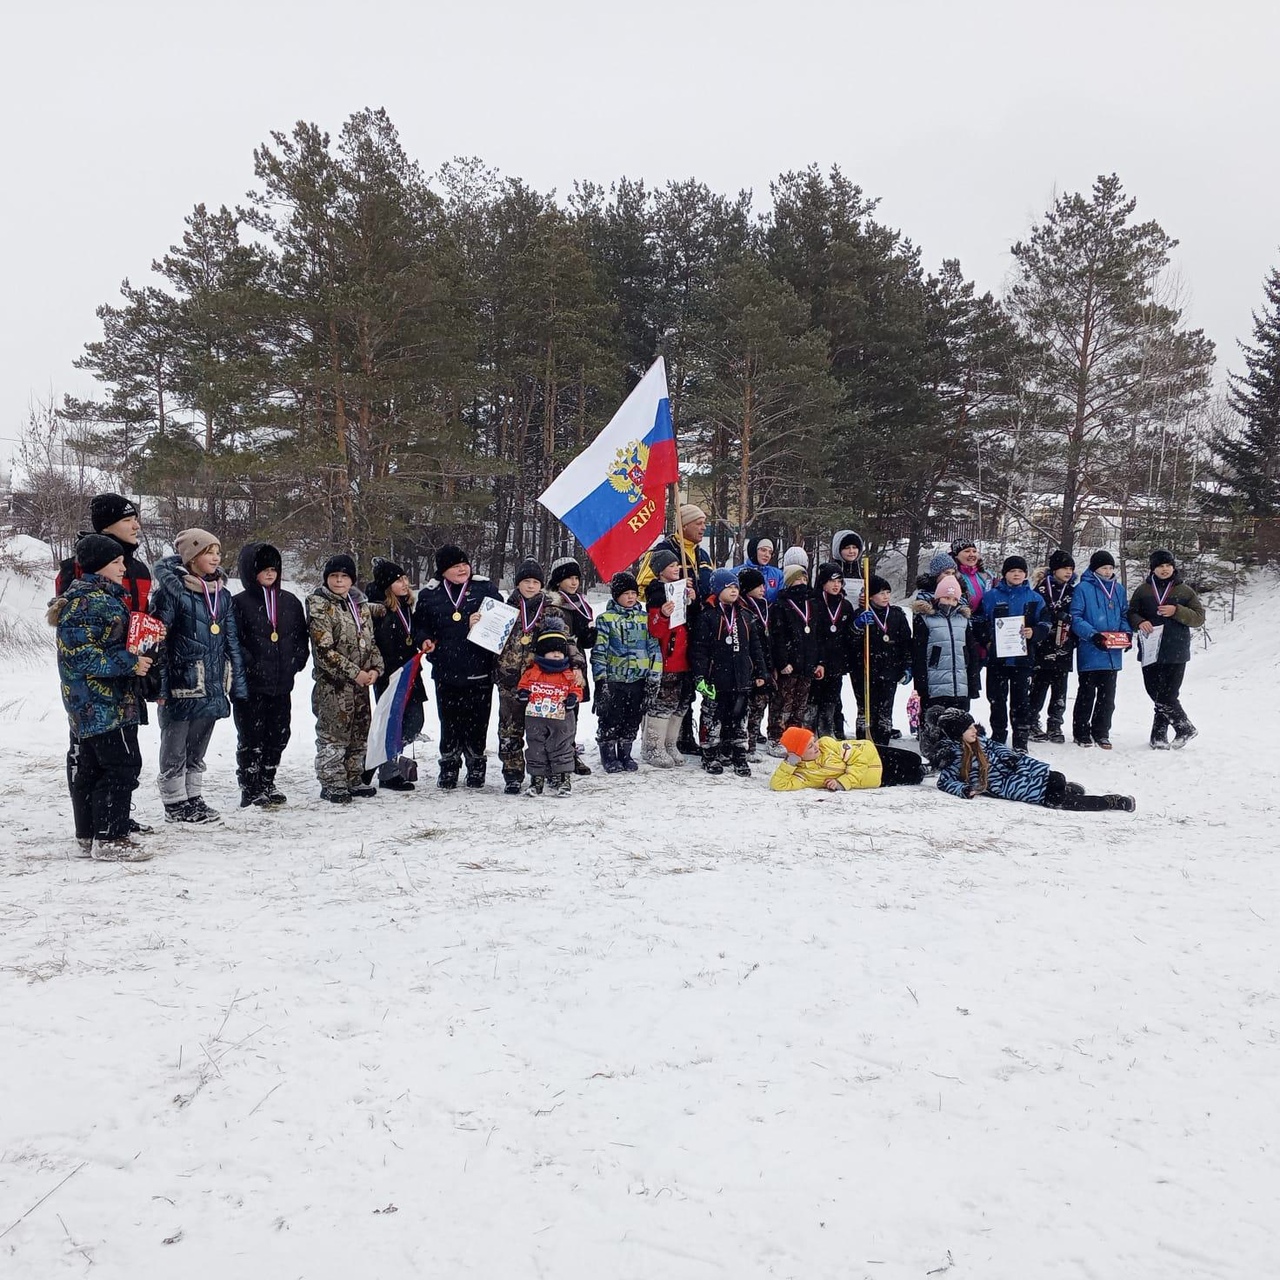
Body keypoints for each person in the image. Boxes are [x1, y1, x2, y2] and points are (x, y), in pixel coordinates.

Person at [49, 534, 155, 860]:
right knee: (121, 766)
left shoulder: (100, 599)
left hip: (97, 701)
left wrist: (143, 640)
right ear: (98, 566)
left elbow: (105, 644)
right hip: (102, 703)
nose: (124, 567)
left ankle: (90, 835)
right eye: (117, 562)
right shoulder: (89, 602)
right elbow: (83, 657)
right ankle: (110, 838)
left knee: (92, 769)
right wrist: (131, 662)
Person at [149, 529, 248, 823]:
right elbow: (159, 642)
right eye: (208, 552)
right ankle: (174, 801)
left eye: (218, 552)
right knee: (175, 744)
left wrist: (237, 684)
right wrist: (161, 687)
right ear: (192, 558)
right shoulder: (171, 593)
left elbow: (231, 641)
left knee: (198, 745)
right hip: (183, 682)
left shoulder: (222, 595)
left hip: (214, 682)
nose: (216, 558)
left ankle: (193, 796)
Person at [412, 544, 501, 789]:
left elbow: (504, 618)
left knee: (478, 721)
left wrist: (483, 622)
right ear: (443, 571)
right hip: (446, 670)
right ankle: (449, 767)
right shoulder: (431, 595)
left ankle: (476, 766)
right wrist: (424, 639)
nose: (462, 568)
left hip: (479, 667)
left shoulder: (485, 588)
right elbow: (419, 625)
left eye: (464, 563)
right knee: (449, 721)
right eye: (455, 565)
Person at [496, 559, 584, 793]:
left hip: (545, 684)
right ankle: (513, 774)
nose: (531, 586)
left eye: (536, 582)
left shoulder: (552, 611)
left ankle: (552, 771)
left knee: (549, 731)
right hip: (510, 680)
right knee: (509, 729)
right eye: (526, 581)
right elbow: (489, 641)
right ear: (518, 584)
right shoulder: (504, 610)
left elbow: (568, 642)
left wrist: (576, 665)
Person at [934, 708, 1135, 811]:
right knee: (1061, 800)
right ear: (956, 733)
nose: (974, 730)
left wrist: (1011, 757)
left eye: (973, 726)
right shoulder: (954, 757)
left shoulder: (983, 741)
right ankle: (1111, 802)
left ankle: (1064, 787)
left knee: (1057, 777)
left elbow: (1000, 748)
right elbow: (945, 782)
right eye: (968, 728)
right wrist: (963, 789)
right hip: (1010, 787)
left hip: (1019, 772)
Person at [231, 542, 309, 807]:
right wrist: (250, 663)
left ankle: (267, 779)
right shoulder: (239, 603)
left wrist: (296, 661)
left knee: (279, 733)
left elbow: (301, 637)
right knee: (252, 735)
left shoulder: (289, 601)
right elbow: (235, 641)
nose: (269, 573)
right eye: (263, 568)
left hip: (281, 682)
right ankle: (250, 786)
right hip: (251, 686)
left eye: (274, 568)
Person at [307, 553, 384, 803]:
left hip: (361, 684)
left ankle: (353, 777)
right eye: (334, 576)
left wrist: (375, 669)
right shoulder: (319, 604)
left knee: (359, 732)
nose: (339, 581)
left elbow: (370, 642)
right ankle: (332, 781)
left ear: (352, 580)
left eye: (344, 576)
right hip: (334, 684)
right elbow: (324, 651)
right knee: (334, 734)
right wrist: (354, 673)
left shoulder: (359, 606)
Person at [637, 503, 712, 755]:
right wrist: (672, 589)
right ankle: (657, 741)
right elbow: (642, 587)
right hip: (670, 628)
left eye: (704, 523)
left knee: (686, 687)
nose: (703, 527)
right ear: (685, 525)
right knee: (667, 689)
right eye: (698, 523)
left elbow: (709, 587)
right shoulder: (664, 550)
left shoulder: (703, 554)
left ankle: (683, 736)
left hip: (696, 624)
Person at [691, 567, 767, 775]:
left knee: (740, 716)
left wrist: (761, 672)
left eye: (736, 587)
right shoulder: (708, 616)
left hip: (741, 678)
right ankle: (710, 753)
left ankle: (738, 754)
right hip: (716, 678)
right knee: (712, 716)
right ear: (717, 590)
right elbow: (699, 650)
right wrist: (700, 676)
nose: (734, 591)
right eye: (728, 587)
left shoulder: (745, 615)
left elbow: (755, 647)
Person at [1128, 549, 1205, 749]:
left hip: (1175, 650)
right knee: (1154, 691)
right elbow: (1131, 613)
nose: (1164, 569)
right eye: (1160, 566)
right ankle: (1174, 731)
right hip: (1150, 649)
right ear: (1153, 568)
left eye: (1168, 565)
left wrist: (1177, 610)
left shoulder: (1185, 591)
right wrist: (1139, 621)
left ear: (1173, 567)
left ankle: (1166, 734)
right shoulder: (1143, 590)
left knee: (1168, 695)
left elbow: (1199, 617)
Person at [592, 571, 662, 773]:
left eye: (634, 592)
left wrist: (654, 677)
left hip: (638, 679)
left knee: (632, 717)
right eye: (626, 593)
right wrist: (600, 679)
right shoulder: (606, 619)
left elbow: (654, 649)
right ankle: (608, 753)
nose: (631, 597)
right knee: (611, 717)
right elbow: (599, 651)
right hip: (615, 679)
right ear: (616, 595)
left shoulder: (645, 619)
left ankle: (625, 752)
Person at [366, 558, 426, 792]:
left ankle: (381, 759)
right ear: (386, 585)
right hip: (389, 674)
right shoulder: (378, 610)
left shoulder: (406, 605)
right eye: (398, 580)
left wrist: (422, 641)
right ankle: (387, 771)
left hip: (410, 671)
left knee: (414, 721)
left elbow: (413, 633)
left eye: (404, 578)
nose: (404, 583)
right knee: (391, 722)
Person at [979, 555, 1049, 752]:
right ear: (1005, 574)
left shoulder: (1035, 598)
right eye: (1012, 571)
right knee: (996, 699)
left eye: (1020, 571)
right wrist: (988, 640)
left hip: (1023, 659)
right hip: (997, 660)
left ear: (1025, 574)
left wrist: (1034, 632)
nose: (1016, 574)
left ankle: (1020, 740)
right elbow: (978, 622)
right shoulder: (991, 597)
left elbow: (1046, 623)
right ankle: (999, 736)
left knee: (1021, 701)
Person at [911, 574, 980, 765]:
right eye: (946, 597)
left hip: (960, 682)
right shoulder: (925, 619)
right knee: (935, 721)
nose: (949, 602)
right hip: (935, 682)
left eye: (953, 598)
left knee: (960, 721)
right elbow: (918, 654)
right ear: (937, 597)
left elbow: (971, 652)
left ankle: (959, 756)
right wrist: (921, 684)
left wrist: (973, 681)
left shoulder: (963, 620)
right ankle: (934, 755)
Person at [1070, 550, 1131, 750]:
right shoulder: (1083, 589)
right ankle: (1081, 731)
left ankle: (1101, 732)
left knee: (1108, 697)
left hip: (1112, 653)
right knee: (1087, 694)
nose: (1107, 571)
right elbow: (1076, 617)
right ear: (1094, 568)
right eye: (1104, 567)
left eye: (1110, 567)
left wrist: (1126, 634)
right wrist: (1093, 635)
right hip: (1091, 649)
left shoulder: (1119, 589)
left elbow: (1124, 614)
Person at [642, 550, 698, 767]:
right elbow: (654, 630)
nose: (677, 568)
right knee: (663, 704)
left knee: (681, 704)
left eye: (678, 564)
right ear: (660, 571)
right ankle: (652, 746)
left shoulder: (683, 589)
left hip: (687, 657)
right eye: (672, 565)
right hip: (667, 658)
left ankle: (669, 743)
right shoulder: (656, 593)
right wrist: (663, 615)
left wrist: (693, 601)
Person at [546, 556, 596, 776]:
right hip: (556, 664)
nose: (574, 582)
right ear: (558, 581)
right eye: (569, 578)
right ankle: (552, 753)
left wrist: (590, 635)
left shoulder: (581, 605)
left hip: (576, 663)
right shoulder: (551, 603)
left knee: (572, 709)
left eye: (576, 578)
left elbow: (583, 640)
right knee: (554, 710)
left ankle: (570, 750)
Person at [516, 628, 580, 796]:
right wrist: (523, 694)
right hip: (536, 718)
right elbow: (523, 685)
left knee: (562, 746)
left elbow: (577, 689)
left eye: (560, 651)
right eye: (552, 651)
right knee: (536, 746)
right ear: (543, 653)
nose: (557, 655)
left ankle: (563, 778)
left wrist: (573, 697)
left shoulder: (568, 674)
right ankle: (537, 779)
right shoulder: (533, 672)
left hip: (562, 718)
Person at [851, 574, 912, 745]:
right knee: (866, 710)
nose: (886, 596)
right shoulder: (860, 614)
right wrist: (857, 627)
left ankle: (883, 743)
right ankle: (863, 743)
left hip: (889, 670)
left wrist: (907, 666)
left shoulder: (897, 615)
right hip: (864, 671)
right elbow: (850, 643)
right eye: (881, 593)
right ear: (870, 596)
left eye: (888, 592)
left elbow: (905, 643)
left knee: (885, 710)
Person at [768, 725, 924, 791]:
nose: (816, 746)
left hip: (874, 753)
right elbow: (778, 784)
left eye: (813, 741)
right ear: (798, 754)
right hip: (876, 777)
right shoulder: (805, 775)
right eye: (809, 746)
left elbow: (859, 759)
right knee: (917, 776)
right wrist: (790, 763)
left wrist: (843, 782)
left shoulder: (827, 744)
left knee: (914, 759)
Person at [767, 562, 820, 755]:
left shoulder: (813, 604)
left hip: (807, 663)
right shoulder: (781, 605)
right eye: (797, 578)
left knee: (800, 705)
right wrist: (782, 662)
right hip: (789, 664)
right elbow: (778, 636)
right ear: (788, 582)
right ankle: (776, 737)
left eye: (805, 578)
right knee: (782, 703)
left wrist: (817, 661)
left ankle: (795, 738)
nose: (802, 582)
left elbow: (816, 635)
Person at [1029, 550, 1077, 744]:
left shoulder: (1073, 591)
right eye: (1064, 568)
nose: (1068, 572)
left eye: (1071, 569)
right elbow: (1034, 614)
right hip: (1042, 644)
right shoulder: (1039, 590)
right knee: (1039, 685)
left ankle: (1055, 723)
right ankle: (1032, 720)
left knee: (1060, 688)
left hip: (1064, 643)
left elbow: (1079, 613)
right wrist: (1051, 617)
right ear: (1054, 569)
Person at [807, 561, 856, 737]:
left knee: (832, 699)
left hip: (837, 662)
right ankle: (809, 733)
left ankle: (828, 732)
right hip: (818, 662)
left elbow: (849, 635)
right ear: (823, 582)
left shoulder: (846, 605)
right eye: (832, 581)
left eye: (839, 581)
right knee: (813, 698)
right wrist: (818, 660)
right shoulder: (813, 603)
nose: (836, 585)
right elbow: (812, 636)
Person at [738, 566, 775, 761]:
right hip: (748, 665)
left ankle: (751, 742)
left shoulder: (765, 606)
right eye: (758, 586)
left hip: (764, 663)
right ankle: (744, 744)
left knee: (759, 706)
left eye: (763, 585)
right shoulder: (742, 608)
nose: (763, 589)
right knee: (745, 707)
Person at [734, 536, 784, 601]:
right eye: (763, 550)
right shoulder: (736, 572)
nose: (767, 555)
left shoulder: (778, 574)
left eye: (770, 552)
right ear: (754, 550)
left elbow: (781, 600)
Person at [832, 530, 864, 603]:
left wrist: (868, 600)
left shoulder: (863, 573)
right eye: (847, 548)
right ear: (838, 549)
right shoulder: (829, 572)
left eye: (854, 547)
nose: (851, 551)